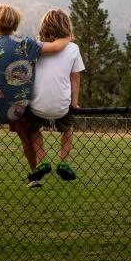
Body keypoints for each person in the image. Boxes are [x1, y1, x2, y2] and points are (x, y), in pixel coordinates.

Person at [0, 4, 69, 187]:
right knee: (26, 136)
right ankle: (34, 175)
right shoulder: (25, 44)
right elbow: (55, 48)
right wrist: (68, 36)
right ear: (15, 24)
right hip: (17, 107)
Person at [27, 9, 85, 187]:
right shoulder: (73, 48)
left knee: (33, 130)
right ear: (66, 26)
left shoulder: (35, 47)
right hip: (61, 105)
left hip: (37, 105)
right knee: (67, 129)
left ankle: (43, 159)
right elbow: (75, 78)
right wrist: (74, 102)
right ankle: (63, 162)